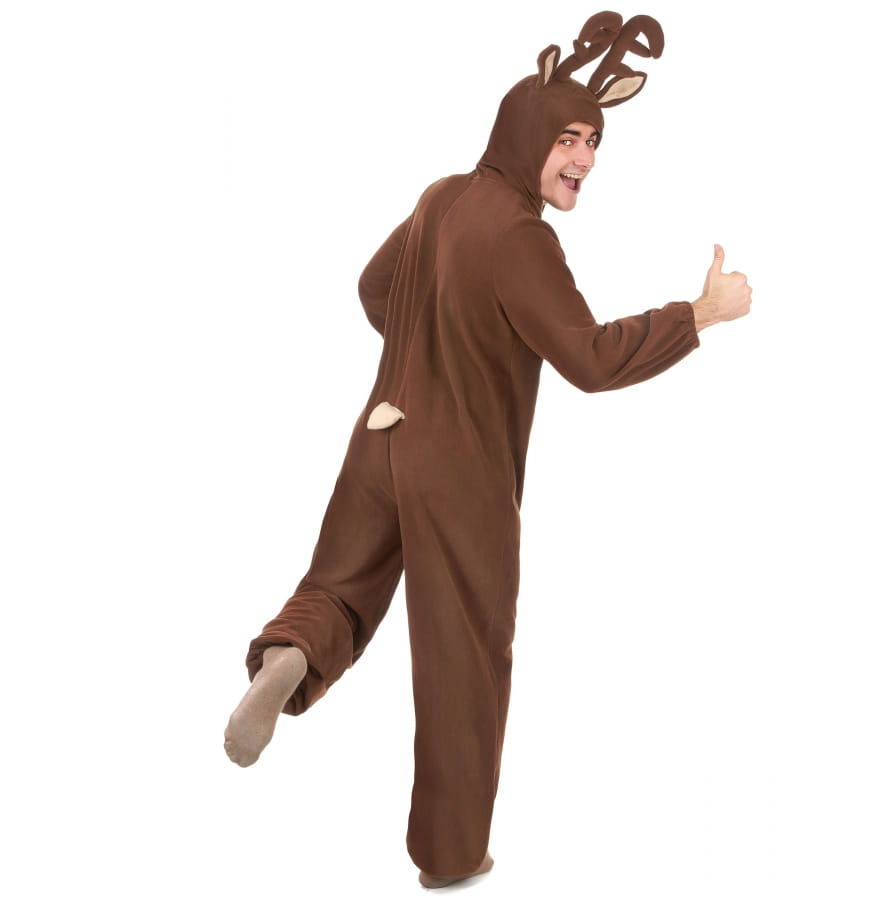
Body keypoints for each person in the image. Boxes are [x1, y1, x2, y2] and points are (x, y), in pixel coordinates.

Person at [224, 11, 752, 890]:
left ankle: (291, 656)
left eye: (594, 140)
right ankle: (452, 857)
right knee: (464, 659)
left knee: (338, 587)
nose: (584, 158)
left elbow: (375, 289)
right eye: (567, 139)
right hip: (458, 473)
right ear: (526, 134)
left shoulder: (442, 196)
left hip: (379, 437)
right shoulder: (520, 237)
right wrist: (699, 314)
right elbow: (591, 360)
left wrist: (434, 346)